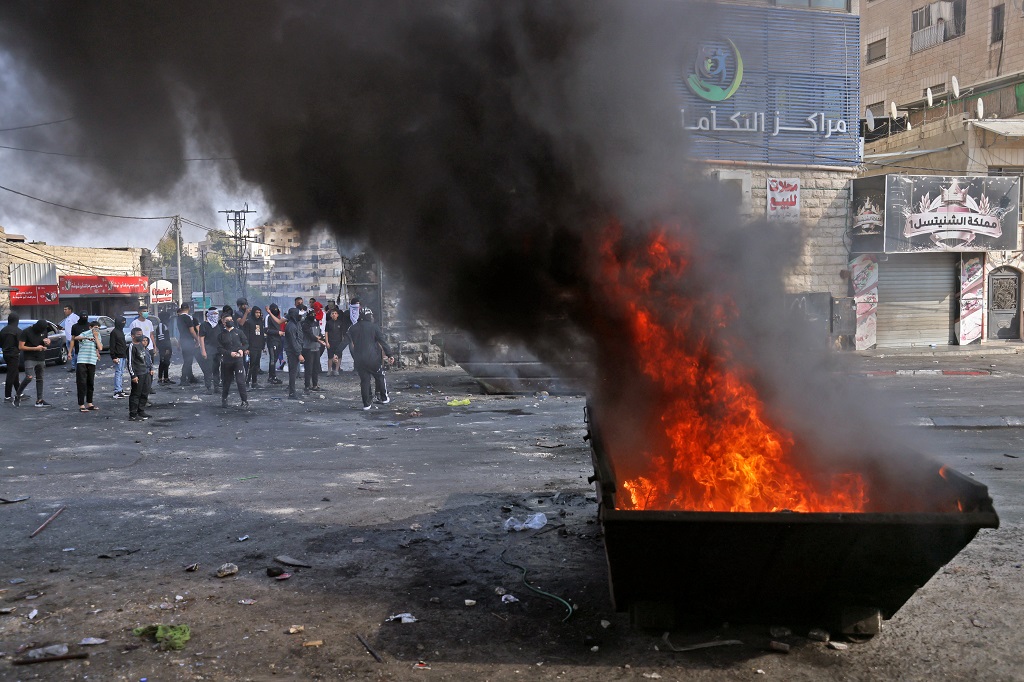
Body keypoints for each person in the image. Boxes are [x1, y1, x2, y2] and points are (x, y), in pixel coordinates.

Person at [346, 307, 394, 410]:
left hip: (359, 360)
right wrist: (389, 354)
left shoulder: (352, 328)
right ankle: (384, 398)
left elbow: (345, 341)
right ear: (369, 316)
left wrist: (336, 353)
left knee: (364, 381)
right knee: (380, 376)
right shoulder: (374, 327)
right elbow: (382, 342)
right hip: (372, 359)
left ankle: (366, 404)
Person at [217, 311, 249, 408]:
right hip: (227, 361)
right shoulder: (221, 335)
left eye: (231, 320)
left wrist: (241, 350)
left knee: (240, 381)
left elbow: (246, 343)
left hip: (238, 360)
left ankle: (244, 401)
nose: (230, 321)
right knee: (226, 382)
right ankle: (224, 399)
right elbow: (219, 348)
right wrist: (229, 353)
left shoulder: (239, 332)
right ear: (223, 322)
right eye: (228, 320)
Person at [19, 319, 52, 407]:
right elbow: (21, 347)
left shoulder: (44, 331)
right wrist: (35, 348)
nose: (41, 331)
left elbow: (45, 343)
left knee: (40, 378)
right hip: (29, 357)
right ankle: (18, 394)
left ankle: (39, 400)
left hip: (40, 357)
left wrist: (47, 343)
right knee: (29, 377)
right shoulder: (26, 332)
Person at [73, 319, 103, 412]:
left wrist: (96, 337)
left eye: (98, 328)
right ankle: (81, 404)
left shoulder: (98, 335)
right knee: (81, 383)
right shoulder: (85, 333)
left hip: (92, 361)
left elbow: (100, 347)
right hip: (82, 360)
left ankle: (90, 403)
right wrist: (86, 337)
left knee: (90, 382)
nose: (96, 330)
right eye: (95, 328)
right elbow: (76, 338)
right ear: (90, 327)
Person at [127, 327, 153, 421]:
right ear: (133, 336)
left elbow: (146, 358)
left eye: (141, 334)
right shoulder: (131, 346)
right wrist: (133, 375)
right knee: (136, 394)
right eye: (138, 334)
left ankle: (141, 411)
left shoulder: (141, 345)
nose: (141, 336)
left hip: (145, 372)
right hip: (138, 374)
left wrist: (150, 368)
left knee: (145, 392)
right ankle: (133, 414)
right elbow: (130, 363)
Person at [301, 305, 327, 392]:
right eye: (311, 314)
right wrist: (319, 339)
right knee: (308, 368)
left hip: (316, 348)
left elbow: (319, 334)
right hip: (308, 348)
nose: (313, 316)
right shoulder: (305, 324)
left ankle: (315, 385)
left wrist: (319, 338)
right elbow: (310, 336)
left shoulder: (316, 323)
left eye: (314, 314)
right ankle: (307, 385)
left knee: (316, 368)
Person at [198, 307, 222, 394]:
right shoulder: (204, 325)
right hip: (208, 350)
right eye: (213, 314)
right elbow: (201, 338)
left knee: (216, 369)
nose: (215, 316)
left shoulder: (218, 325)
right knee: (208, 370)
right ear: (209, 314)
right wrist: (203, 350)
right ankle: (208, 387)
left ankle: (216, 387)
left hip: (218, 350)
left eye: (216, 314)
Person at [1, 313, 22, 405]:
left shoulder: (3, 330)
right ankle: (7, 395)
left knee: (14, 372)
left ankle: (19, 392)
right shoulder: (17, 330)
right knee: (11, 374)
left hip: (5, 353)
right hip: (14, 354)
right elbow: (20, 344)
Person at [283, 307, 304, 399]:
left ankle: (292, 391)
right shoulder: (291, 326)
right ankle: (292, 393)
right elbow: (293, 341)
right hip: (292, 352)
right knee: (293, 372)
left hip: (295, 350)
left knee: (293, 372)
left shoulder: (296, 324)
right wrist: (299, 354)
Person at [176, 304, 200, 385]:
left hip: (183, 341)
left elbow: (181, 332)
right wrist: (197, 340)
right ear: (188, 308)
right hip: (189, 341)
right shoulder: (188, 318)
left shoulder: (179, 318)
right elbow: (192, 331)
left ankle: (190, 377)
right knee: (188, 361)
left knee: (187, 360)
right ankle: (183, 379)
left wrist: (179, 343)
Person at [243, 306, 266, 389]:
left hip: (258, 346)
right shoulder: (249, 322)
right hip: (251, 347)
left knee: (256, 365)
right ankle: (247, 382)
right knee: (251, 365)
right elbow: (247, 335)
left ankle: (254, 382)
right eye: (256, 312)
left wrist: (263, 346)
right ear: (253, 313)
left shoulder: (260, 322)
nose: (258, 314)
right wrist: (247, 347)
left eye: (259, 312)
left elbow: (262, 334)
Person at [264, 303, 285, 385]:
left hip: (279, 340)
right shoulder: (268, 317)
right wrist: (277, 332)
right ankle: (272, 377)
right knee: (272, 359)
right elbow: (266, 330)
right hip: (272, 340)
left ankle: (273, 376)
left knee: (275, 359)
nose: (276, 310)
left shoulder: (278, 317)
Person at [108, 316, 129, 398]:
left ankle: (120, 389)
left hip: (122, 355)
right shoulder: (114, 332)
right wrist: (113, 356)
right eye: (122, 322)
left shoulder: (120, 331)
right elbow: (112, 345)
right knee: (118, 372)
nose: (123, 323)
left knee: (121, 373)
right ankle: (117, 391)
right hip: (118, 356)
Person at [324, 308, 346, 376]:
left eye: (335, 313)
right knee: (330, 357)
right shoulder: (328, 323)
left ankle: (336, 370)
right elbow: (326, 333)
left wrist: (342, 343)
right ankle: (329, 370)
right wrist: (327, 342)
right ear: (330, 315)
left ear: (337, 315)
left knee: (339, 356)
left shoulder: (340, 323)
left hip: (338, 342)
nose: (334, 315)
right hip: (330, 342)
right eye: (332, 313)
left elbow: (342, 333)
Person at [155, 310, 175, 385]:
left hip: (166, 347)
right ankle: (160, 379)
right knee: (163, 362)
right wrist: (166, 348)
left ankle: (166, 378)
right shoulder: (161, 326)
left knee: (166, 362)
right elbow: (161, 338)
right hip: (163, 347)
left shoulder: (164, 325)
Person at [61, 304, 78, 373]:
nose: (64, 311)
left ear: (70, 310)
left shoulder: (74, 317)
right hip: (68, 338)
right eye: (64, 309)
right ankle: (73, 366)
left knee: (75, 353)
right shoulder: (67, 318)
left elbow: (77, 326)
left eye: (66, 309)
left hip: (73, 339)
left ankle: (77, 367)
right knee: (71, 354)